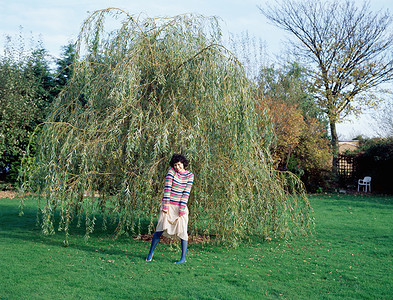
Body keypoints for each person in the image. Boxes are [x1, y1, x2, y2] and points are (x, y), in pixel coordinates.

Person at [146, 154, 194, 264]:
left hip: (180, 207)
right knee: (159, 229)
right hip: (168, 206)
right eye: (175, 165)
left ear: (183, 164)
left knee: (183, 232)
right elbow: (167, 189)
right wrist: (165, 207)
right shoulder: (171, 173)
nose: (177, 167)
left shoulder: (190, 175)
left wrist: (182, 208)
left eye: (179, 164)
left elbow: (186, 192)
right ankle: (150, 253)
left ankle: (183, 258)